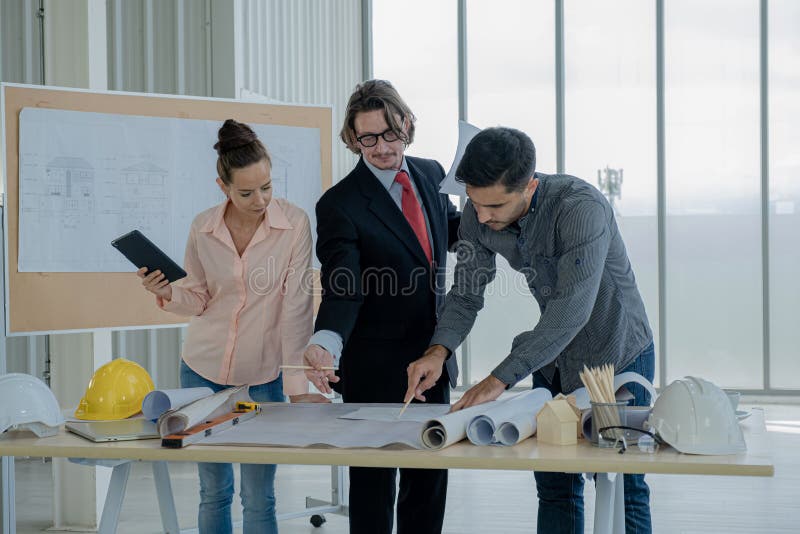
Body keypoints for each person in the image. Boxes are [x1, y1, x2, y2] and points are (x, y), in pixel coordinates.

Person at [405, 126, 655, 534]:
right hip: (553, 359)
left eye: (494, 206)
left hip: (617, 354)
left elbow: (571, 311)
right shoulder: (478, 210)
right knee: (554, 483)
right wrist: (438, 351)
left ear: (530, 186)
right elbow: (466, 293)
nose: (481, 217)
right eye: (474, 203)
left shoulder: (581, 208)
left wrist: (497, 379)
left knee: (622, 482)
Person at [138, 119, 326, 534]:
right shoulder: (203, 227)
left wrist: (297, 388)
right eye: (246, 192)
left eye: (267, 187)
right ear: (222, 186)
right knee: (214, 490)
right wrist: (168, 293)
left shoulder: (294, 226)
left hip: (262, 377)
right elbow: (199, 298)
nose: (260, 200)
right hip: (202, 373)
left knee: (259, 496)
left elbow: (296, 307)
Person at [302, 79, 461, 534]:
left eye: (389, 134)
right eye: (367, 138)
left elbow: (447, 233)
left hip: (432, 355)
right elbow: (343, 284)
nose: (381, 148)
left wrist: (498, 215)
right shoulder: (340, 204)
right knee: (373, 484)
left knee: (427, 478)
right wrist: (326, 341)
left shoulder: (430, 174)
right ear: (353, 139)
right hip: (373, 365)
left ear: (407, 125)